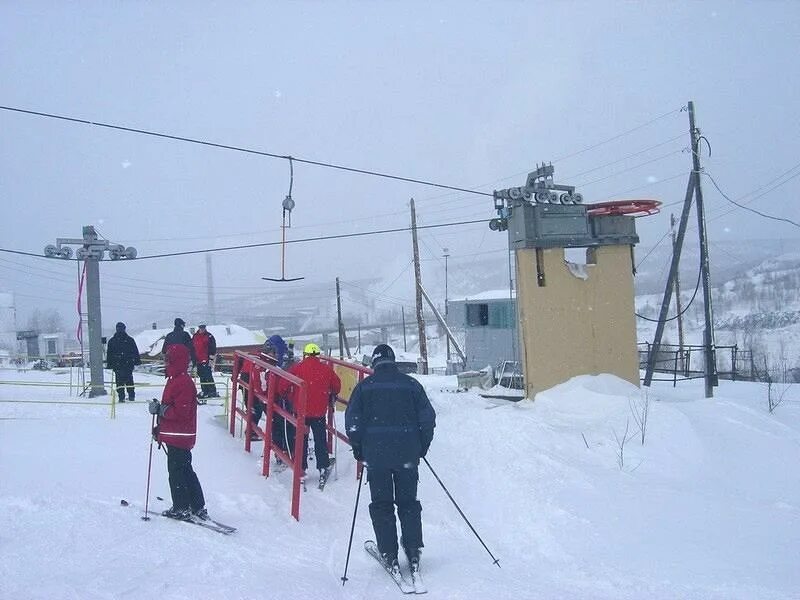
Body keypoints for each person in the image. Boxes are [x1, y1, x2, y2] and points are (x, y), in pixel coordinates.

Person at [344, 343, 436, 572]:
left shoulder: (365, 388)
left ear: (374, 362)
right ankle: (413, 549)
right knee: (408, 503)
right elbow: (427, 420)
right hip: (407, 456)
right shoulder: (411, 385)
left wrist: (359, 449)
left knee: (382, 505)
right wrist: (421, 447)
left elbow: (353, 423)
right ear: (393, 361)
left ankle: (389, 552)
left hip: (377, 458)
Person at [149, 344, 208, 521]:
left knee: (177, 472)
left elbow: (181, 413)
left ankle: (182, 506)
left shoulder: (182, 382)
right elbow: (172, 408)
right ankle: (196, 505)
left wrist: (161, 410)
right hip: (176, 435)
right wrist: (160, 429)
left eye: (168, 359)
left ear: (177, 361)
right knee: (185, 470)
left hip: (180, 436)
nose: (165, 362)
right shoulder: (175, 379)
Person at [279, 343, 341, 487]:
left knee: (301, 439)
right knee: (320, 439)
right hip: (319, 412)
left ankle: (301, 468)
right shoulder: (326, 369)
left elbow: (283, 385)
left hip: (301, 411)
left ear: (305, 354)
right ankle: (322, 466)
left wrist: (287, 395)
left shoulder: (297, 368)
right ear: (318, 354)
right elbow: (337, 386)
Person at [106, 322, 141, 402]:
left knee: (119, 381)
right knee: (129, 380)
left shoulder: (112, 341)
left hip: (117, 364)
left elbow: (109, 354)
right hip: (128, 364)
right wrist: (136, 361)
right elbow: (135, 351)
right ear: (125, 329)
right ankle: (131, 396)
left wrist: (110, 364)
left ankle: (121, 397)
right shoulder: (130, 340)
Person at [192, 324, 218, 400]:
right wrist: (193, 360)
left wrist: (211, 359)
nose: (202, 329)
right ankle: (205, 390)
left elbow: (213, 348)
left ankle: (212, 391)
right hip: (198, 360)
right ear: (199, 328)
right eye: (201, 328)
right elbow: (192, 348)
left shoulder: (209, 336)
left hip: (206, 359)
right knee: (201, 376)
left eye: (203, 328)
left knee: (208, 375)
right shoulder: (195, 336)